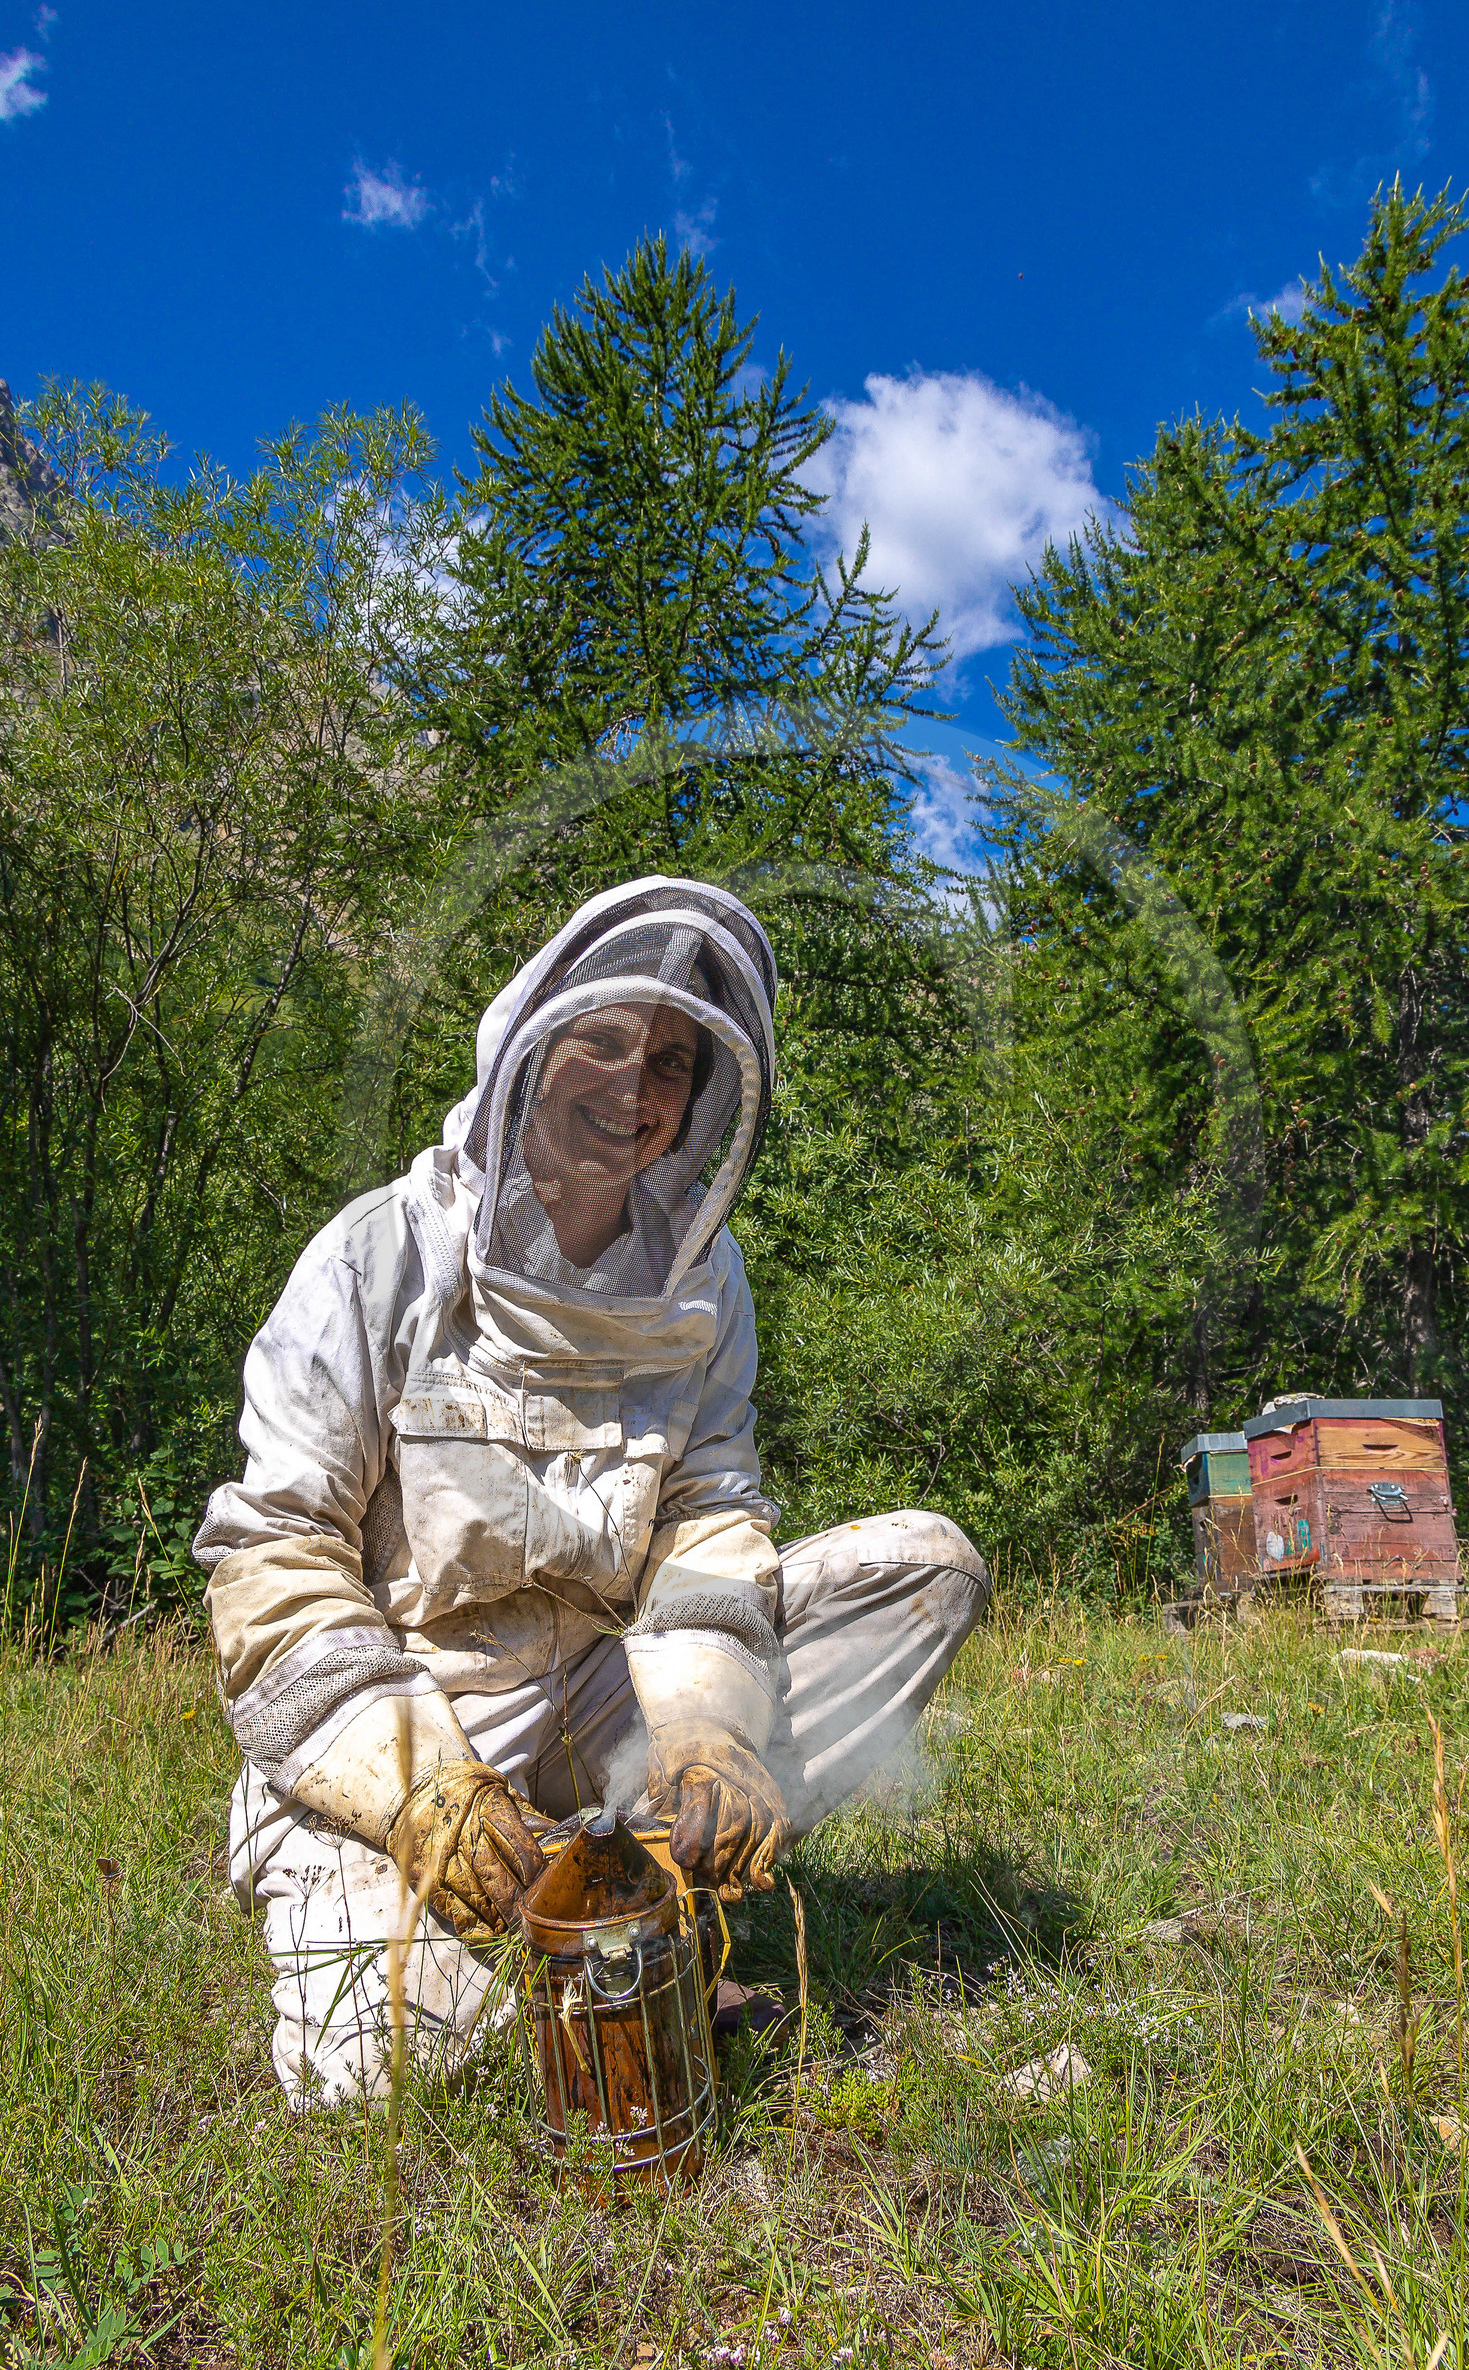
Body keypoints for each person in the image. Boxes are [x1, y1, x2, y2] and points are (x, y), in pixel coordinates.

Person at [198, 877, 989, 2107]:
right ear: (528, 1050)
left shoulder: (702, 1277)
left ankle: (625, 1874)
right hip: (403, 1716)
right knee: (394, 2074)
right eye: (604, 1044)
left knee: (926, 1571)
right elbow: (277, 1555)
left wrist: (711, 1733)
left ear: (705, 1099)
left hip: (596, 1699)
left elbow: (709, 1518)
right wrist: (416, 1786)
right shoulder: (379, 1255)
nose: (632, 1090)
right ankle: (530, 1912)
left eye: (670, 1063)